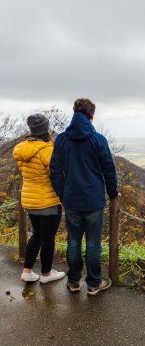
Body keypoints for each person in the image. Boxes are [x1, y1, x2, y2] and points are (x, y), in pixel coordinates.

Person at [50, 98, 118, 296]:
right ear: (91, 115)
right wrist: (113, 193)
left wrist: (63, 193)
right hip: (94, 200)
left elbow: (54, 171)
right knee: (93, 243)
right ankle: (94, 284)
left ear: (74, 112)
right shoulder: (98, 140)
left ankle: (73, 282)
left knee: (73, 241)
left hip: (71, 200)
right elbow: (109, 170)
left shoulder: (62, 140)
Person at [12, 114, 65, 283]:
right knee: (48, 239)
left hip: (29, 199)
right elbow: (56, 174)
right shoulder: (47, 150)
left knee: (37, 235)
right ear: (46, 129)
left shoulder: (22, 149)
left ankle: (27, 272)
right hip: (48, 200)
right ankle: (46, 274)